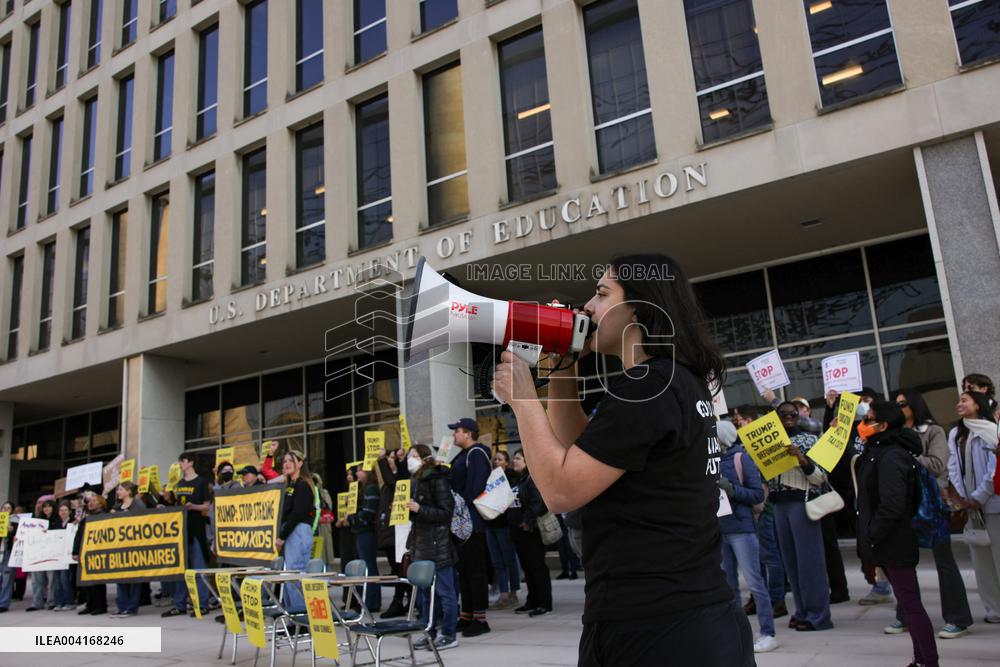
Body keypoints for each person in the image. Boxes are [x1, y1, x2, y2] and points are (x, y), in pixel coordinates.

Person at [492, 253, 753, 666]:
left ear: (640, 307)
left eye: (600, 294)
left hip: (656, 629)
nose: (588, 308)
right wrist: (563, 372)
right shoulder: (671, 380)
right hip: (684, 619)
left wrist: (523, 399)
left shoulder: (646, 386)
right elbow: (580, 456)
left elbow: (561, 490)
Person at [884, 389, 973, 639]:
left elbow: (937, 464)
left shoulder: (933, 431)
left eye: (902, 404)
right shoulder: (892, 435)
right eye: (895, 405)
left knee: (944, 562)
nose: (899, 408)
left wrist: (906, 455)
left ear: (913, 405)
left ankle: (957, 618)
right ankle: (906, 615)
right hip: (902, 505)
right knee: (902, 563)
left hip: (932, 503)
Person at [856, 400, 939, 667]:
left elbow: (893, 504)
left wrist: (873, 534)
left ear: (883, 425)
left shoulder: (891, 455)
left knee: (910, 604)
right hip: (884, 540)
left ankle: (928, 661)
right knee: (906, 603)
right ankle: (920, 659)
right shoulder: (877, 450)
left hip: (894, 540)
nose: (863, 423)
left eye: (869, 419)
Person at [769, 402, 833, 631]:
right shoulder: (768, 441)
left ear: (799, 416)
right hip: (778, 504)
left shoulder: (809, 440)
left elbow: (820, 477)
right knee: (791, 563)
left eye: (792, 414)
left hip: (801, 502)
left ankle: (819, 615)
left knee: (809, 562)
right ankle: (802, 610)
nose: (788, 417)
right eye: (783, 414)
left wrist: (802, 459)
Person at [717, 420, 778, 653]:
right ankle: (735, 634)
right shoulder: (711, 461)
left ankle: (767, 632)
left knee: (755, 583)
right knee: (728, 586)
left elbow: (756, 495)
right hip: (720, 529)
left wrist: (731, 489)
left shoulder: (741, 458)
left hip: (741, 530)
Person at [945, 390, 1000, 623]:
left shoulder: (991, 430)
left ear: (977, 405)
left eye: (964, 400)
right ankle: (993, 609)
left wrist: (979, 495)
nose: (959, 404)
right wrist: (963, 497)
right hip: (970, 506)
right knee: (981, 560)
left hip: (992, 503)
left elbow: (994, 468)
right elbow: (953, 465)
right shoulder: (956, 433)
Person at [407, 444, 460, 652]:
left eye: (414, 456)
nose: (410, 459)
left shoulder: (437, 479)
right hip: (422, 544)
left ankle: (448, 633)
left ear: (425, 458)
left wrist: (421, 509)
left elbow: (446, 512)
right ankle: (430, 631)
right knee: (426, 595)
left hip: (438, 545)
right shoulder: (418, 480)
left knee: (446, 593)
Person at [447, 417, 493, 637]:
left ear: (468, 433)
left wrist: (456, 503)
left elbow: (475, 488)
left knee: (475, 571)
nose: (454, 434)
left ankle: (480, 619)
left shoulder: (476, 454)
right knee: (464, 571)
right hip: (462, 522)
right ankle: (466, 615)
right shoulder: (464, 455)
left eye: (457, 431)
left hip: (472, 522)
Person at [162, 452, 211, 618]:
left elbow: (206, 506)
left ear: (190, 462)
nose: (180, 464)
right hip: (181, 532)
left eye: (182, 461)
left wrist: (192, 507)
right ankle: (179, 604)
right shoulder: (179, 484)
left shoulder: (201, 482)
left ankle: (202, 604)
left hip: (197, 529)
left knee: (199, 569)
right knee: (180, 570)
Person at [507, 449, 553, 617]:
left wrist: (527, 521)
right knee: (528, 568)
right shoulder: (518, 480)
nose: (514, 461)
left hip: (530, 530)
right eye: (514, 458)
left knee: (537, 567)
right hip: (518, 531)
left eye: (518, 458)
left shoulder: (532, 479)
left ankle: (544, 603)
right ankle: (532, 600)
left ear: (528, 461)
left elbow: (538, 502)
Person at [276, 450, 318, 612]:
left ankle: (301, 618)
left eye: (290, 460)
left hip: (298, 531)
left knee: (296, 576)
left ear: (300, 463)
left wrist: (282, 537)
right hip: (290, 531)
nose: (286, 463)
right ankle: (293, 616)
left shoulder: (303, 485)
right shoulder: (289, 485)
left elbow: (297, 513)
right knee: (288, 576)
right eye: (284, 461)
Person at [376, 449, 411, 618]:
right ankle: (406, 601)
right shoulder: (387, 484)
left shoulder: (400, 479)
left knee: (401, 569)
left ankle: (401, 602)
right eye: (388, 458)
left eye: (392, 458)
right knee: (398, 569)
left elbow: (393, 483)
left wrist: (382, 460)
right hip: (389, 532)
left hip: (399, 532)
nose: (390, 461)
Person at [485, 450, 521, 610]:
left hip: (504, 524)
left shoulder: (512, 477)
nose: (496, 462)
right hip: (490, 523)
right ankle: (503, 593)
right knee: (497, 561)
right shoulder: (490, 477)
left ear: (506, 463)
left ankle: (513, 592)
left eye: (500, 460)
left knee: (509, 559)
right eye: (495, 460)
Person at [347, 465, 382, 612]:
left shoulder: (371, 488)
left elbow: (368, 513)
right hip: (362, 531)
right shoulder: (363, 488)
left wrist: (353, 519)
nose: (357, 473)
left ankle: (371, 602)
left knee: (369, 567)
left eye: (360, 470)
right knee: (367, 566)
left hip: (366, 531)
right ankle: (369, 601)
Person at [110, 482, 146, 618]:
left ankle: (131, 607)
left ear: (128, 491)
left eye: (120, 489)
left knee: (134, 579)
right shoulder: (117, 506)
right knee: (121, 577)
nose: (118, 492)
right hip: (120, 547)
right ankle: (122, 606)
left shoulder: (138, 505)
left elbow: (142, 521)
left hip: (134, 546)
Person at [72, 492, 108, 615]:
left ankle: (101, 605)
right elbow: (78, 535)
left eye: (94, 501)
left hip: (97, 552)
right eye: (89, 501)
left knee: (97, 581)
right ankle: (90, 604)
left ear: (101, 503)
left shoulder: (104, 516)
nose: (90, 503)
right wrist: (75, 551)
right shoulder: (86, 518)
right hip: (85, 552)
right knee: (87, 582)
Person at [26, 499, 57, 611]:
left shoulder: (57, 520)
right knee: (36, 580)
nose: (46, 509)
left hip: (52, 554)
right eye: (44, 507)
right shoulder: (38, 521)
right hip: (38, 554)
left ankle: (51, 601)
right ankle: (37, 602)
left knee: (52, 579)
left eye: (49, 506)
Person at [49, 502, 76, 612]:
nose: (63, 512)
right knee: (57, 580)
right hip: (57, 555)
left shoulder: (73, 522)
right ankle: (59, 602)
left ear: (69, 511)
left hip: (68, 556)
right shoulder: (56, 523)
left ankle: (69, 602)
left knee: (65, 579)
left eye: (65, 510)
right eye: (61, 510)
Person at [0, 502, 15, 612]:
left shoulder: (16, 522)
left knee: (7, 578)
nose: (6, 510)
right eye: (4, 508)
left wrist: (12, 532)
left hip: (8, 552)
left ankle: (3, 603)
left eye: (8, 508)